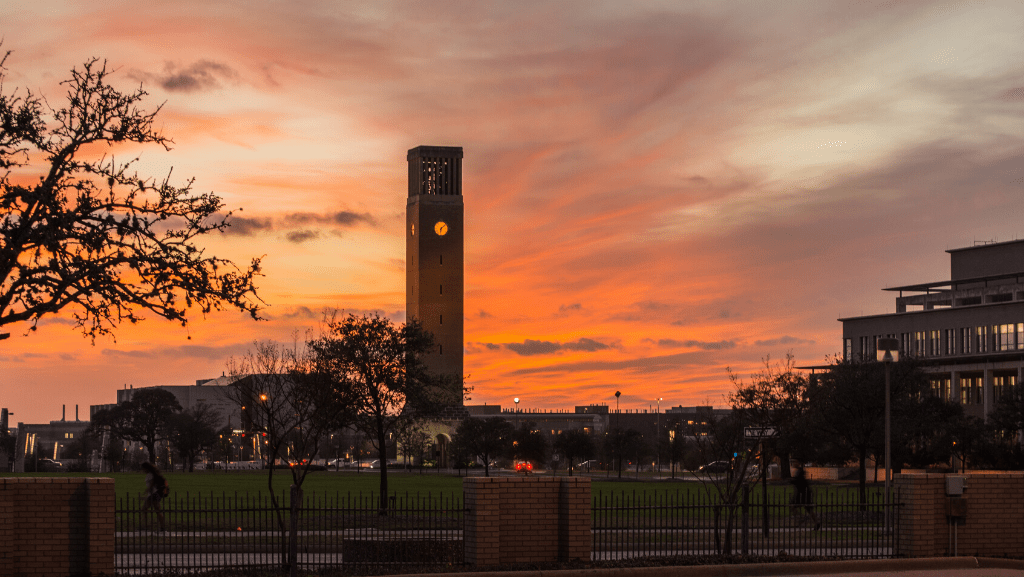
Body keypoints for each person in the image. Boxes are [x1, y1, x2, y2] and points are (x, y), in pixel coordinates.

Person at [790, 464, 821, 530]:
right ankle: (816, 522)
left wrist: (791, 481)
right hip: (805, 493)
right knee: (809, 509)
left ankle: (801, 518)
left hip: (803, 494)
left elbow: (797, 481)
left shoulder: (799, 472)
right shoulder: (800, 472)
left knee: (793, 506)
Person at [140, 461, 167, 532]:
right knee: (155, 510)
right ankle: (162, 527)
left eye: (143, 469)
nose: (142, 470)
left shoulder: (150, 475)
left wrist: (146, 492)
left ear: (146, 468)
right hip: (155, 494)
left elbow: (151, 485)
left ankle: (146, 526)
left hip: (153, 494)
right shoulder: (153, 474)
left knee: (146, 509)